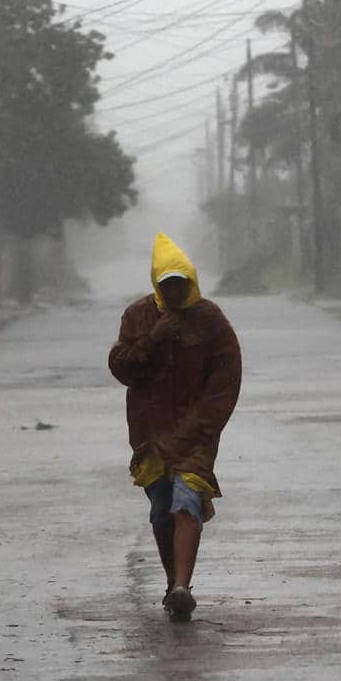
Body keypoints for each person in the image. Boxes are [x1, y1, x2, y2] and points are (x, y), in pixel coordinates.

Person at [106, 233, 242, 622]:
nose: (176, 291)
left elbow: (226, 378)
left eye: (181, 283)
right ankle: (172, 584)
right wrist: (153, 339)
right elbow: (122, 368)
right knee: (161, 512)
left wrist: (203, 426)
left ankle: (183, 586)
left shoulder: (211, 320)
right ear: (156, 284)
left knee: (188, 502)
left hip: (196, 437)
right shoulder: (138, 317)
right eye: (168, 284)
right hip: (151, 437)